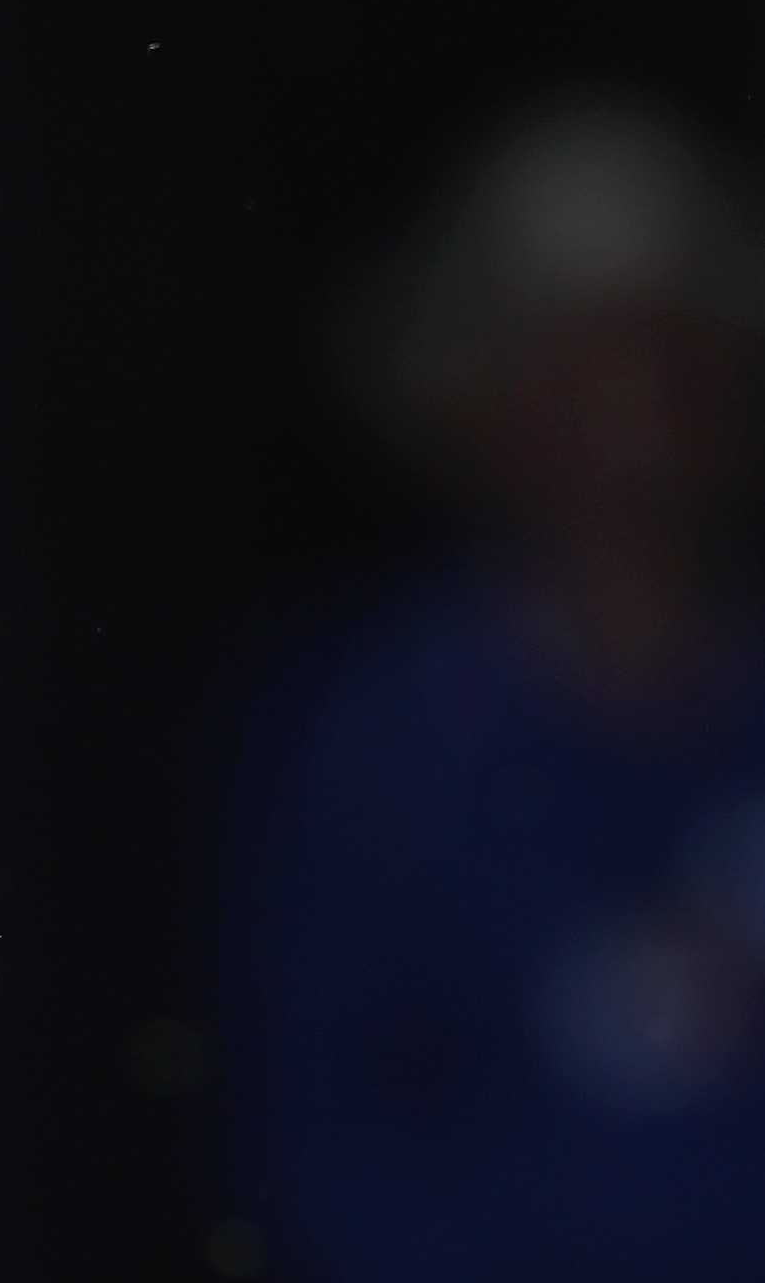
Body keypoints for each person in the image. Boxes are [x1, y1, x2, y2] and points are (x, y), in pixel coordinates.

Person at [224, 95, 765, 1277]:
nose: (630, 399)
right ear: (474, 394)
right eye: (574, 346)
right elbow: (316, 1144)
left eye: (664, 339)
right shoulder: (366, 738)